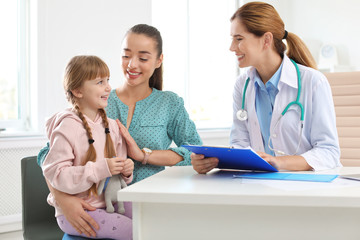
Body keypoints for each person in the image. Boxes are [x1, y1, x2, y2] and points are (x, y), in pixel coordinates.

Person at [38, 24, 202, 238]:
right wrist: (63, 200)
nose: (132, 65)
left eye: (143, 58)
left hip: (146, 202)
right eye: (126, 56)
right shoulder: (97, 99)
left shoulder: (169, 103)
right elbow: (46, 156)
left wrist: (143, 156)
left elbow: (196, 151)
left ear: (159, 60)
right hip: (92, 208)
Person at [191, 1, 341, 174]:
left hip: (308, 186)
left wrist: (278, 162)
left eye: (239, 39)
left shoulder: (313, 82)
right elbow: (240, 144)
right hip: (261, 184)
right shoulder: (242, 85)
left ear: (266, 40)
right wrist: (212, 161)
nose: (232, 48)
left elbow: (329, 152)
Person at [41, 55, 134, 240]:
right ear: (77, 90)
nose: (108, 87)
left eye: (108, 80)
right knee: (131, 229)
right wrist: (101, 169)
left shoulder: (112, 126)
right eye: (100, 82)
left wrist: (126, 170)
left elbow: (119, 170)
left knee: (147, 215)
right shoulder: (68, 127)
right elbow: (57, 174)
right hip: (81, 210)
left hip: (108, 201)